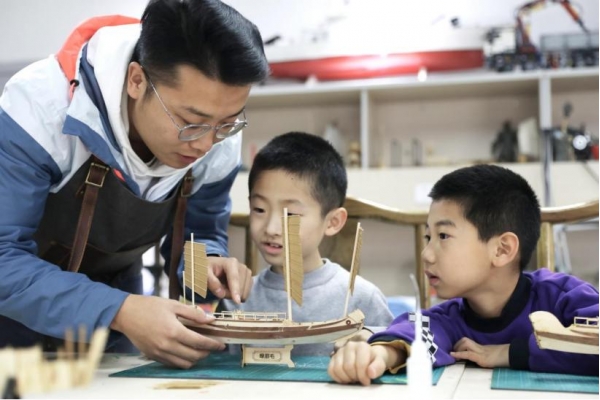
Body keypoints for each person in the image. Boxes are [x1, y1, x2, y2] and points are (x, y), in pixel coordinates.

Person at [0, 0, 270, 369]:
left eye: (228, 122)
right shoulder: (38, 110)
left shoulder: (217, 135)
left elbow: (201, 233)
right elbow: (4, 259)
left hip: (119, 310)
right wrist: (120, 310)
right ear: (136, 81)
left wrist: (206, 262)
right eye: (190, 122)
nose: (206, 144)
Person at [328, 164, 599, 385]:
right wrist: (380, 353)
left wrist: (510, 353)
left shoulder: (565, 297)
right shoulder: (451, 319)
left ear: (502, 250)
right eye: (428, 237)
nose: (426, 254)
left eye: (443, 236)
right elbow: (418, 332)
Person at [220, 132, 394, 356]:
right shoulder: (237, 298)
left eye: (291, 214)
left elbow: (393, 359)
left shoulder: (362, 298)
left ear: (332, 222)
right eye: (259, 209)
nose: (271, 228)